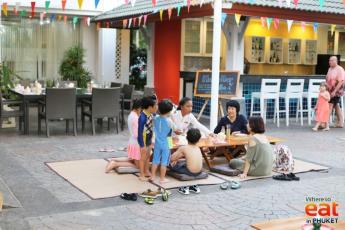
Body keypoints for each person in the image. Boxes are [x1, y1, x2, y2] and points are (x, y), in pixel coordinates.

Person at [105, 99, 142, 173]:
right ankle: (115, 164)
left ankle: (115, 160)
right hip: (136, 144)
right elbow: (137, 134)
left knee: (132, 159)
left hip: (132, 142)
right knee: (138, 166)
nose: (141, 112)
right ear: (138, 108)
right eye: (141, 109)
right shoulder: (135, 118)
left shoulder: (131, 114)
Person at [170, 128, 203, 195]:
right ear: (198, 139)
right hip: (199, 171)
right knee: (181, 161)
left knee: (170, 164)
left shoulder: (184, 148)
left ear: (186, 137)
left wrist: (176, 159)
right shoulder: (198, 147)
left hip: (190, 172)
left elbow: (171, 158)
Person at [150, 99, 176, 184]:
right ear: (169, 111)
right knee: (164, 161)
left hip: (157, 142)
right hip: (167, 142)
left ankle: (152, 176)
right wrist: (172, 116)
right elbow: (176, 129)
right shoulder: (169, 121)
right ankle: (162, 179)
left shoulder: (156, 118)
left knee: (155, 160)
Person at [137, 96, 158, 181]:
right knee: (143, 157)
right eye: (155, 105)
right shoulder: (142, 117)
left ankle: (147, 170)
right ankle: (141, 174)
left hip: (149, 137)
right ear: (150, 107)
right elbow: (139, 132)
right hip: (143, 138)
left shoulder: (152, 114)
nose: (157, 107)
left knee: (148, 155)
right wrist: (142, 145)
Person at [326, 56, 345, 128]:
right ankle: (341, 122)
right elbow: (328, 79)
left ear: (335, 61)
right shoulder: (330, 69)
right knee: (336, 105)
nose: (329, 62)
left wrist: (334, 91)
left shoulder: (340, 69)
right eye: (329, 60)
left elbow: (341, 81)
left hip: (336, 91)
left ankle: (325, 123)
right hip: (330, 90)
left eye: (331, 60)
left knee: (330, 105)